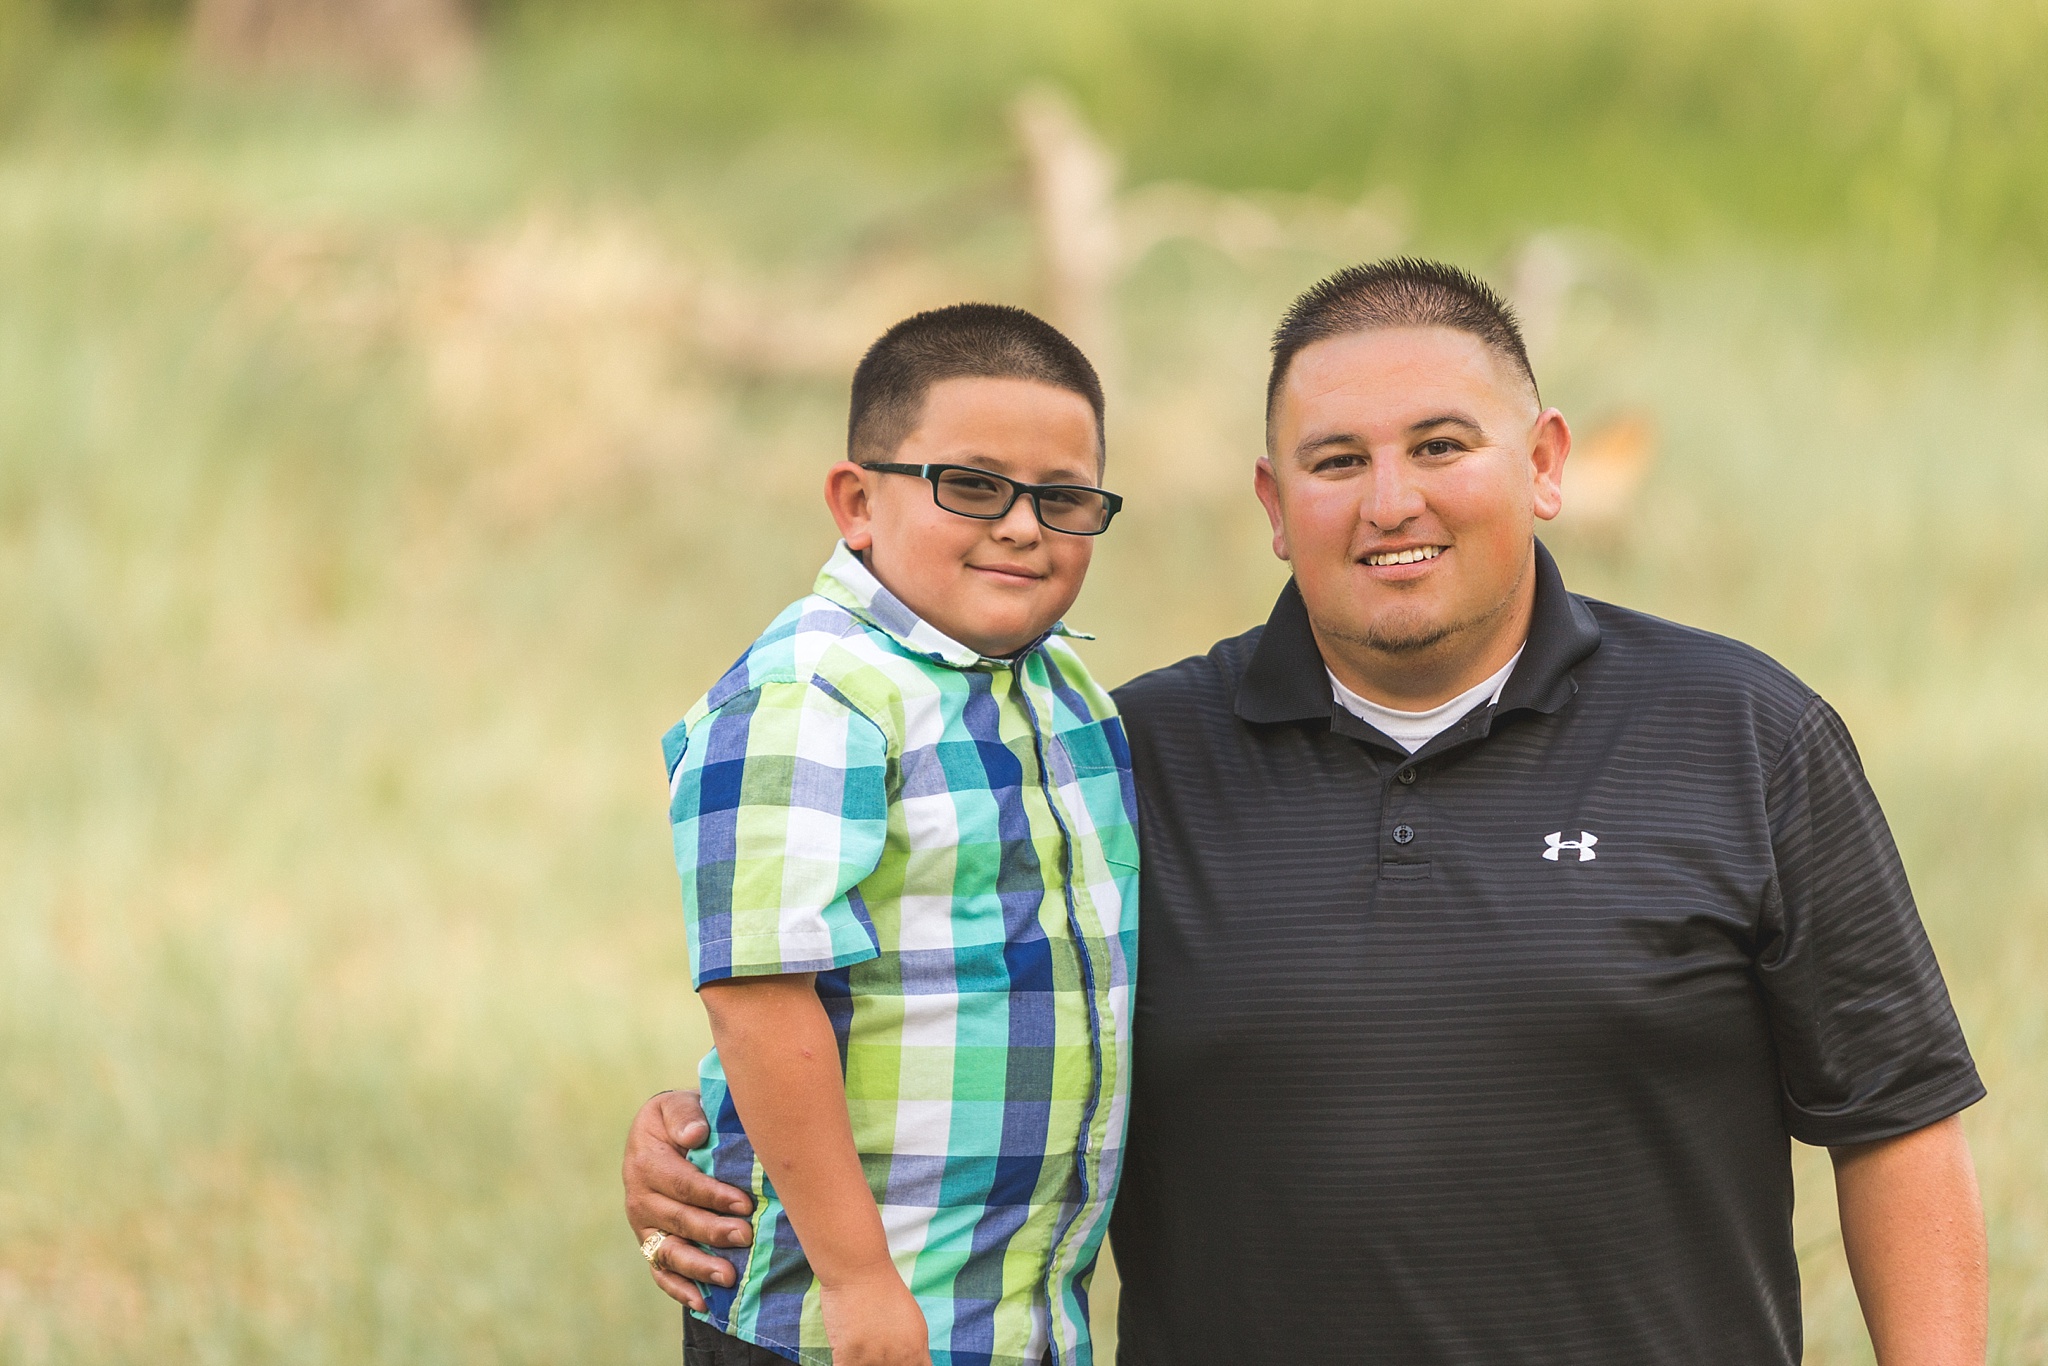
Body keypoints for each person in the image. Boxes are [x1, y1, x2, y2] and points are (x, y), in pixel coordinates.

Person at [629, 261, 1988, 1365]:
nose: (1391, 502)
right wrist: (701, 1156)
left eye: (1442, 446)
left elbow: (1899, 1119)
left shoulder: (1744, 734)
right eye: (1335, 462)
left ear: (1547, 463)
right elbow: (874, 982)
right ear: (1274, 507)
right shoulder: (1117, 759)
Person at [649, 302, 1139, 1366]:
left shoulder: (1065, 694)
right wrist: (857, 1281)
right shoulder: (810, 696)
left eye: (1062, 499)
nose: (1021, 525)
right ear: (855, 501)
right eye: (970, 485)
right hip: (846, 1323)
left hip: (1013, 1316)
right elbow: (759, 996)